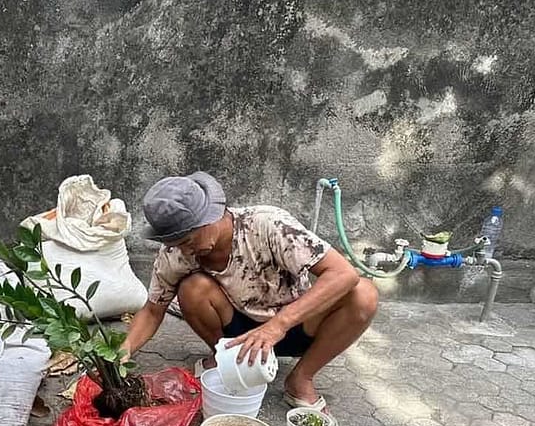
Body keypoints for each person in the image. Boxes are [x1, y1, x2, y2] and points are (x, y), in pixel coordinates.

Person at [122, 172, 378, 410]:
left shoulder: (267, 224)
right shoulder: (175, 254)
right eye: (176, 245)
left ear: (211, 217)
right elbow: (153, 310)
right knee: (192, 288)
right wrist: (122, 353)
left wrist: (278, 325)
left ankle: (300, 378)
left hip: (294, 326)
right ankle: (226, 361)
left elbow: (343, 273)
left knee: (363, 293)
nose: (185, 251)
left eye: (188, 241)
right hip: (236, 337)